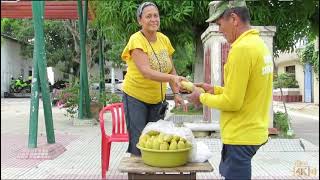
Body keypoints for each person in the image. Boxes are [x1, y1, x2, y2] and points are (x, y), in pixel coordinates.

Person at [187, 1, 273, 179]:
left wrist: (201, 97)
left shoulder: (241, 50)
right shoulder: (258, 44)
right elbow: (245, 90)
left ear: (233, 19)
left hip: (240, 135)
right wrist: (214, 90)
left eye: (219, 24)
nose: (219, 30)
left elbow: (233, 102)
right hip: (254, 130)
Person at [121, 1, 187, 156]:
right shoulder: (136, 40)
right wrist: (173, 77)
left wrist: (176, 93)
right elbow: (146, 72)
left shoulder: (164, 39)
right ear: (140, 21)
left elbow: (170, 67)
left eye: (156, 16)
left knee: (157, 142)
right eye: (148, 16)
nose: (153, 19)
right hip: (136, 98)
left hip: (157, 100)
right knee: (139, 143)